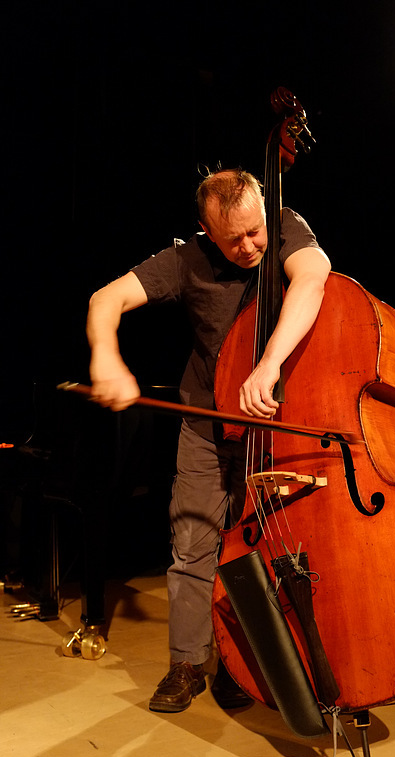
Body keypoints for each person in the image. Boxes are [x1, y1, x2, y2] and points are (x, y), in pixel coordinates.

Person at [86, 168, 331, 713]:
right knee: (192, 544)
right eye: (233, 238)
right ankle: (187, 664)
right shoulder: (185, 260)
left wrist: (268, 366)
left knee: (267, 548)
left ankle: (247, 665)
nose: (249, 247)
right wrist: (107, 357)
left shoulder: (287, 225)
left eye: (255, 232)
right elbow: (105, 299)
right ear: (205, 230)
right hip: (205, 420)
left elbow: (314, 279)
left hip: (277, 421)